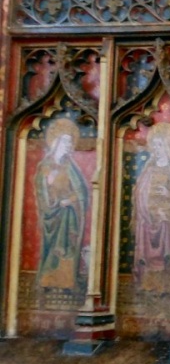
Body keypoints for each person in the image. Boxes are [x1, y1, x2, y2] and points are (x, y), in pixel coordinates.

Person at [133, 122, 170, 292]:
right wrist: (147, 208)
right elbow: (140, 192)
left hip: (167, 215)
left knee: (167, 244)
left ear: (167, 146)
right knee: (147, 251)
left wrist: (167, 194)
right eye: (154, 145)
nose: (156, 149)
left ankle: (167, 283)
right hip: (148, 216)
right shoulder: (148, 169)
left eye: (159, 145)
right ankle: (147, 283)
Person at [35, 118, 88, 290]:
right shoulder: (45, 166)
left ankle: (67, 281)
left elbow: (81, 191)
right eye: (65, 141)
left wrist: (71, 200)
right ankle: (48, 280)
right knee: (53, 249)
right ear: (56, 141)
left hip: (69, 215)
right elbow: (42, 193)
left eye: (71, 141)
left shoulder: (70, 166)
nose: (69, 144)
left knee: (69, 248)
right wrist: (56, 203)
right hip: (53, 216)